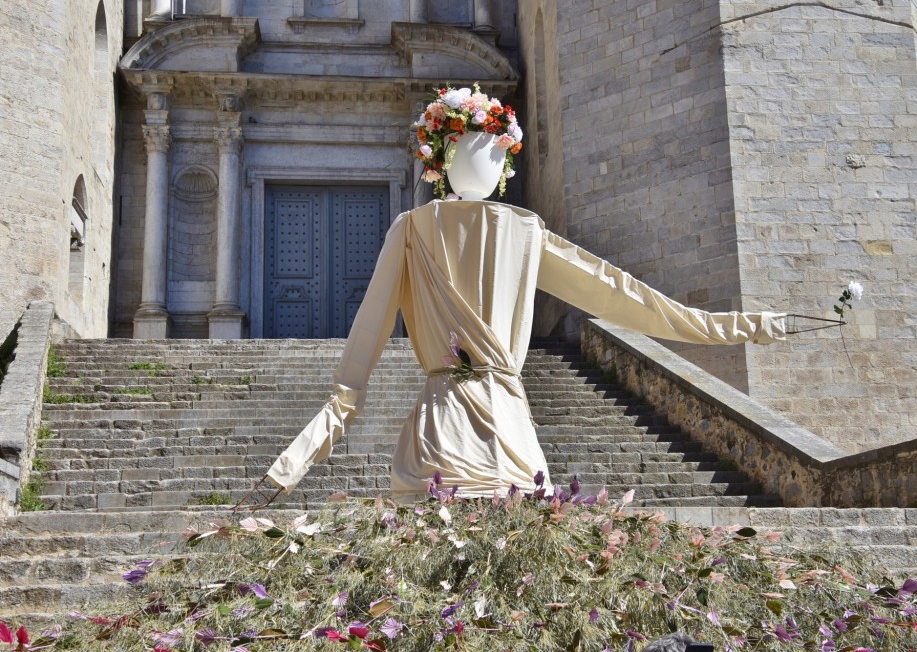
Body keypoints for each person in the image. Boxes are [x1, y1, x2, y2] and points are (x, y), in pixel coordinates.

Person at [244, 200, 786, 506]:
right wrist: (737, 326)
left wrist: (287, 469)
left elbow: (359, 355)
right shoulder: (522, 232)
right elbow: (619, 294)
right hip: (504, 428)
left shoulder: (413, 229)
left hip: (445, 428)